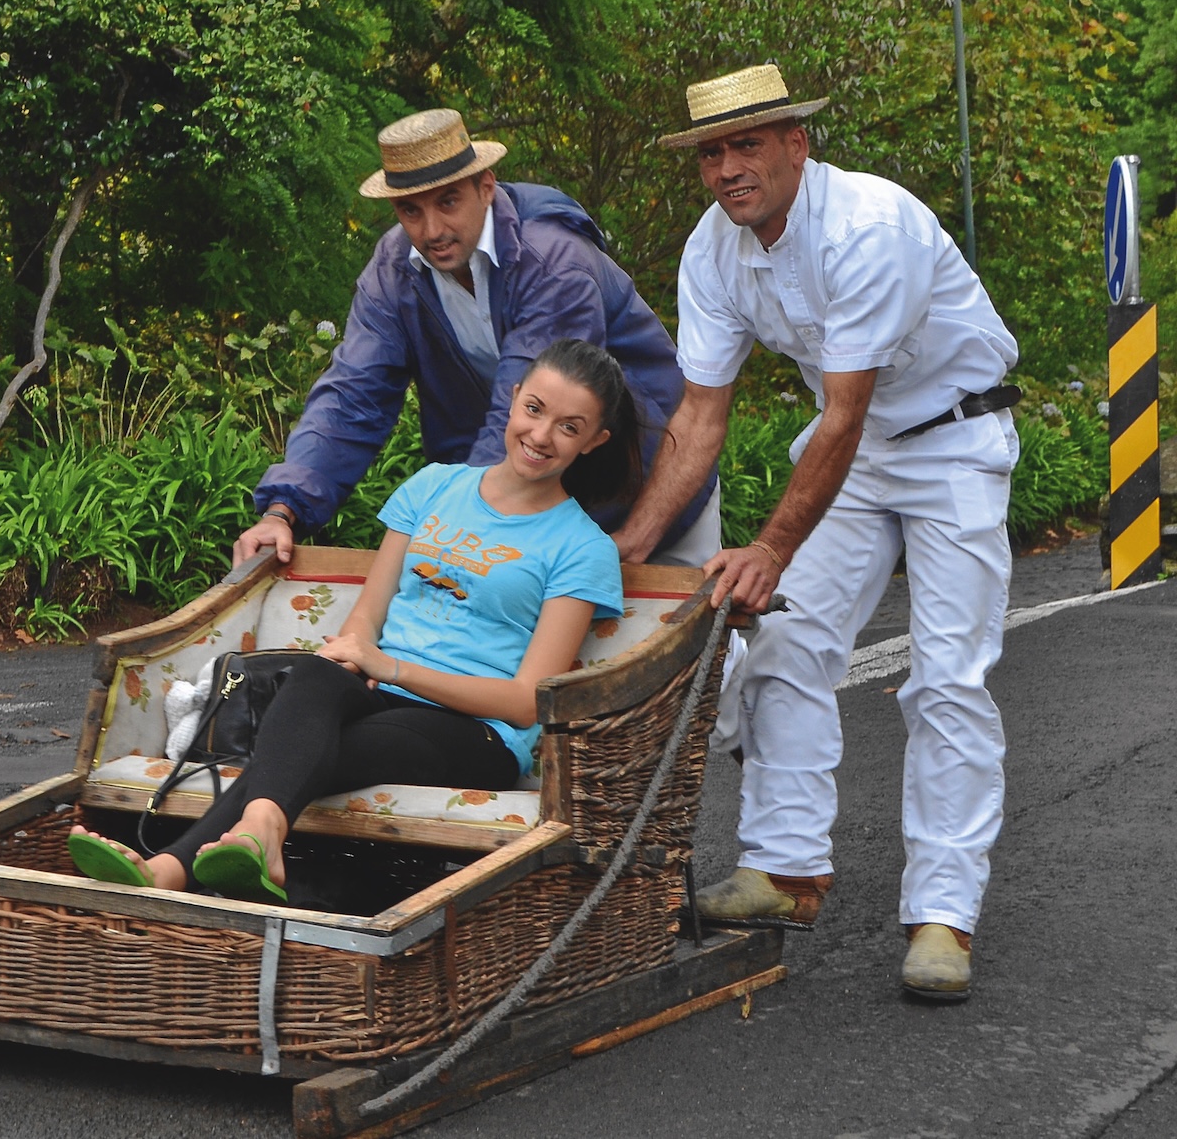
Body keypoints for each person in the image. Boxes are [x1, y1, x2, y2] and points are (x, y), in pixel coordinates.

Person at [611, 64, 1021, 1003]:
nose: (727, 168)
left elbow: (842, 414)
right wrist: (628, 546)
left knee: (947, 677)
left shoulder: (868, 227)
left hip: (953, 441)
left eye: (747, 143)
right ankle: (785, 871)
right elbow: (699, 418)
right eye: (712, 151)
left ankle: (943, 917)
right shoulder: (713, 249)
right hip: (859, 446)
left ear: (798, 143)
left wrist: (770, 549)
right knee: (785, 636)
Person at [69, 339, 634, 901]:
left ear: (594, 440)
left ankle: (170, 867)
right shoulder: (435, 487)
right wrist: (358, 651)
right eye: (534, 409)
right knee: (314, 675)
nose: (539, 435)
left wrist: (389, 667)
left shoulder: (581, 547)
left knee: (318, 745)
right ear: (512, 399)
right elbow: (368, 613)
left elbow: (527, 699)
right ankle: (259, 835)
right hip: (380, 689)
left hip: (476, 732)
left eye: (568, 426)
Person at [234, 108, 719, 571]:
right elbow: (352, 396)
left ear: (485, 187)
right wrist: (283, 509)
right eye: (410, 210)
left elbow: (533, 405)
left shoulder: (552, 263)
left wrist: (459, 528)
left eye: (448, 202)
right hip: (531, 502)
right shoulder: (392, 273)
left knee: (679, 643)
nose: (432, 230)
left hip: (648, 483)